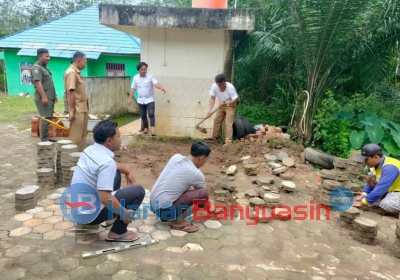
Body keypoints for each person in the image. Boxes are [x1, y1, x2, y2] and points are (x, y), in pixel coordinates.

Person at [71, 119, 145, 242]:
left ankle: (110, 217)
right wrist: (124, 213)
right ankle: (117, 232)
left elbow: (113, 165)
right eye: (119, 136)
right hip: (90, 215)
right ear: (109, 141)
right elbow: (104, 197)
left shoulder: (90, 150)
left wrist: (127, 172)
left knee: (116, 173)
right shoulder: (106, 163)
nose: (121, 139)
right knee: (139, 191)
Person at [150, 141, 219, 233]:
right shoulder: (196, 173)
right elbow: (201, 194)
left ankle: (173, 214)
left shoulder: (176, 157)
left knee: (188, 190)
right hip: (165, 212)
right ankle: (177, 221)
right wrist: (210, 206)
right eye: (206, 160)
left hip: (153, 204)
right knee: (203, 194)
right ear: (201, 158)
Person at [353, 143, 400, 213]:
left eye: (366, 159)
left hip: (397, 191)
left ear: (376, 157)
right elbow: (370, 182)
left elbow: (381, 188)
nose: (364, 162)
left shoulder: (390, 167)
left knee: (386, 204)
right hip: (391, 190)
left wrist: (362, 203)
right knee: (369, 177)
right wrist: (363, 195)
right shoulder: (373, 166)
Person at [127, 62, 166, 136]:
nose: (144, 71)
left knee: (151, 114)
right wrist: (130, 98)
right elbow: (133, 89)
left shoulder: (150, 76)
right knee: (143, 115)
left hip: (150, 99)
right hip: (140, 100)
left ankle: (153, 129)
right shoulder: (135, 78)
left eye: (145, 69)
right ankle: (145, 128)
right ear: (139, 70)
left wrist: (161, 87)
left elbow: (155, 83)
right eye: (142, 69)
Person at [31, 48, 58, 142]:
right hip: (43, 98)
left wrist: (54, 96)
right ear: (40, 56)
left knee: (48, 118)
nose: (48, 58)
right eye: (46, 56)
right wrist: (44, 97)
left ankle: (46, 137)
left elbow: (49, 83)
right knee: (45, 118)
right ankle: (43, 140)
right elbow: (38, 83)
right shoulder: (36, 68)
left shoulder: (45, 68)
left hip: (49, 97)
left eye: (48, 56)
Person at [64, 51, 88, 152]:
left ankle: (79, 159)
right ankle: (71, 161)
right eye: (84, 62)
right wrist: (71, 110)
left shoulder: (77, 73)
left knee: (82, 136)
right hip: (77, 109)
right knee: (76, 138)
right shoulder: (71, 73)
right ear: (78, 61)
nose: (85, 64)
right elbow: (70, 92)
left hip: (82, 108)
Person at [206, 74, 239, 143]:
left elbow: (236, 99)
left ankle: (228, 141)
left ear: (225, 81)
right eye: (219, 85)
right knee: (217, 120)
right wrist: (209, 110)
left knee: (228, 122)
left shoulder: (230, 87)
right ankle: (215, 137)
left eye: (222, 84)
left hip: (231, 104)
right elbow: (212, 98)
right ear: (216, 83)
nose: (221, 86)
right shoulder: (214, 87)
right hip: (221, 104)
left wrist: (228, 103)